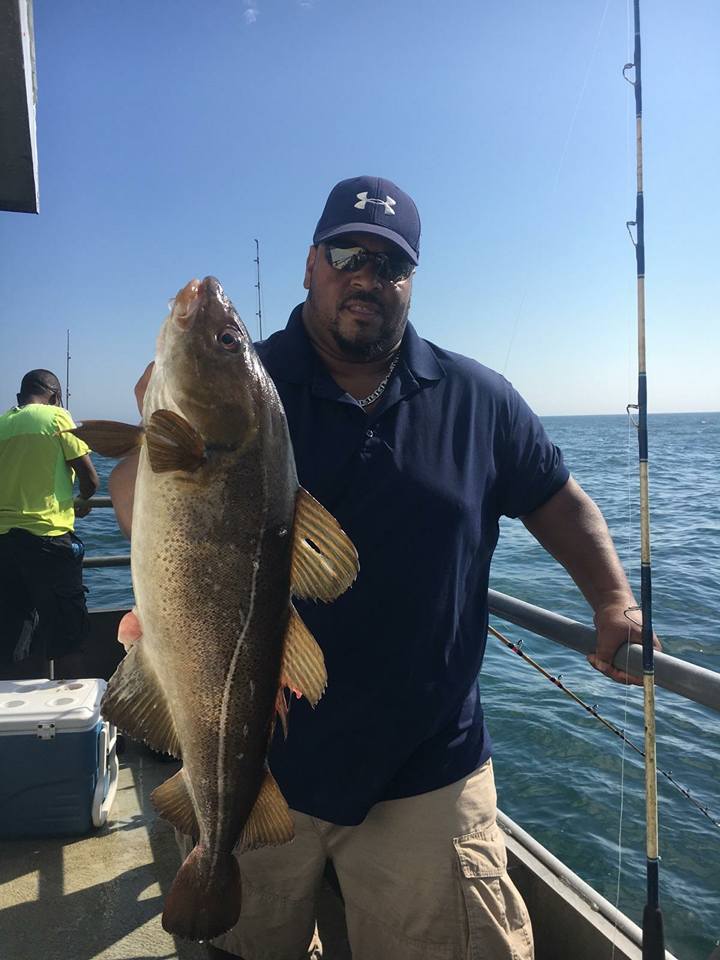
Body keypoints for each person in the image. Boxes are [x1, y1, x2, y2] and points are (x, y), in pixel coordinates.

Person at [109, 176, 657, 960]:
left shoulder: (479, 398)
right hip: (265, 765)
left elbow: (559, 502)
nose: (368, 277)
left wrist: (613, 601)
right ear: (310, 265)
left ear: (411, 282)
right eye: (348, 254)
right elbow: (141, 513)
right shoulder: (248, 390)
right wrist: (153, 433)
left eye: (392, 265)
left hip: (429, 766)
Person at [0, 369, 99, 667]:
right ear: (55, 397)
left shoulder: (2, 423)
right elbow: (91, 480)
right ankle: (69, 710)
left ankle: (14, 709)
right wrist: (81, 501)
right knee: (68, 634)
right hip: (49, 541)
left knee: (12, 635)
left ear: (20, 396)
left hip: (5, 545)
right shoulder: (57, 417)